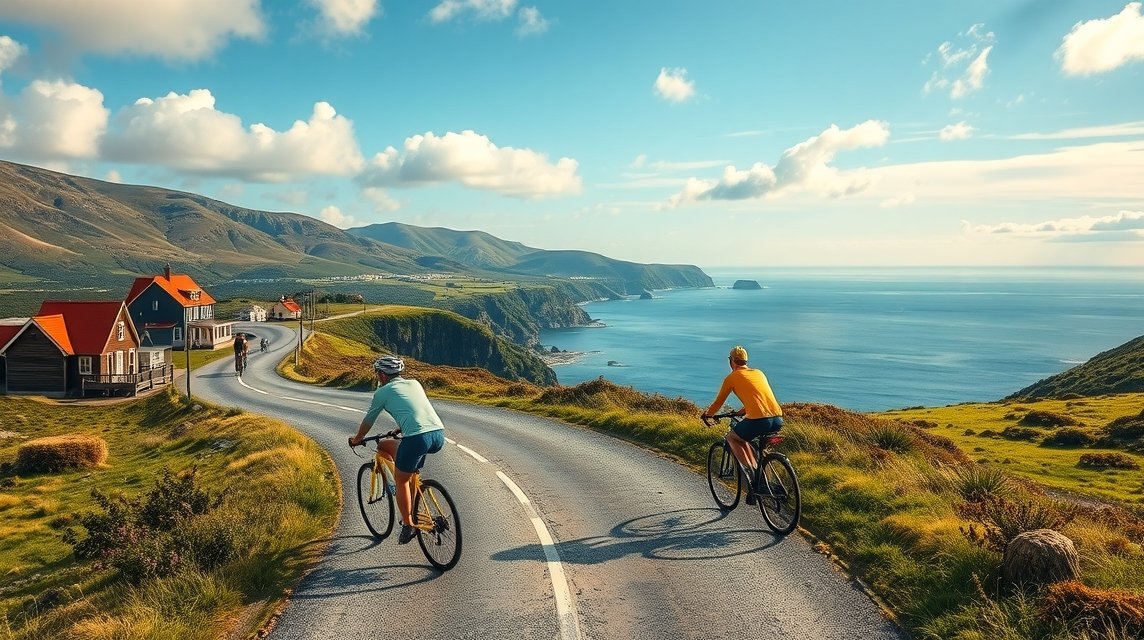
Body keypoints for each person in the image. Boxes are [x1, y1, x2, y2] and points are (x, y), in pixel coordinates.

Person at [349, 355, 446, 545]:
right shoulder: (414, 384)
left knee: (400, 480)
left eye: (377, 373)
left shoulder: (382, 392)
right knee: (385, 445)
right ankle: (414, 503)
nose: (377, 376)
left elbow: (369, 420)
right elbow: (416, 409)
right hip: (437, 434)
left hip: (417, 439)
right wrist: (400, 429)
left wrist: (357, 439)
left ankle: (408, 524)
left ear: (383, 375)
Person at [701, 345, 783, 504]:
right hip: (778, 418)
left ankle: (753, 476)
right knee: (745, 440)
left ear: (732, 361)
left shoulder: (732, 378)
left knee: (733, 438)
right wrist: (742, 411)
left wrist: (708, 414)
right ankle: (761, 480)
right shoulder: (759, 373)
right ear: (745, 360)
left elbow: (719, 402)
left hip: (759, 420)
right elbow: (760, 397)